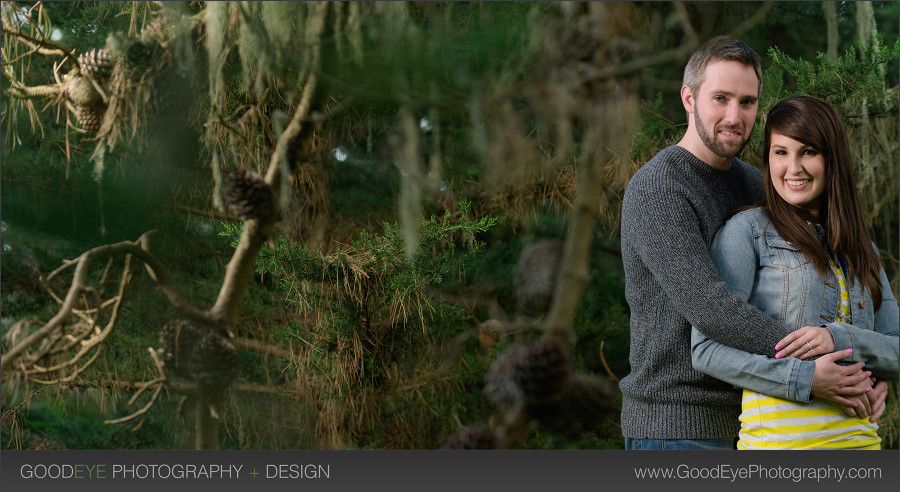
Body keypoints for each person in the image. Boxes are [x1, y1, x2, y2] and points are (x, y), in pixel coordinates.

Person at [618, 36, 880, 450]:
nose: (734, 115)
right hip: (677, 424)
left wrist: (863, 375)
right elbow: (710, 306)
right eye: (720, 98)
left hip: (756, 419)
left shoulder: (756, 183)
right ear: (688, 97)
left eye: (747, 101)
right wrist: (817, 362)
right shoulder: (659, 187)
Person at [690, 95, 899, 449]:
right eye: (781, 152)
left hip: (861, 445)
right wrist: (805, 378)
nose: (793, 168)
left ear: (832, 158)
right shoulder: (747, 232)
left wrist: (843, 341)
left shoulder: (864, 251)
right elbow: (706, 350)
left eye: (809, 152)